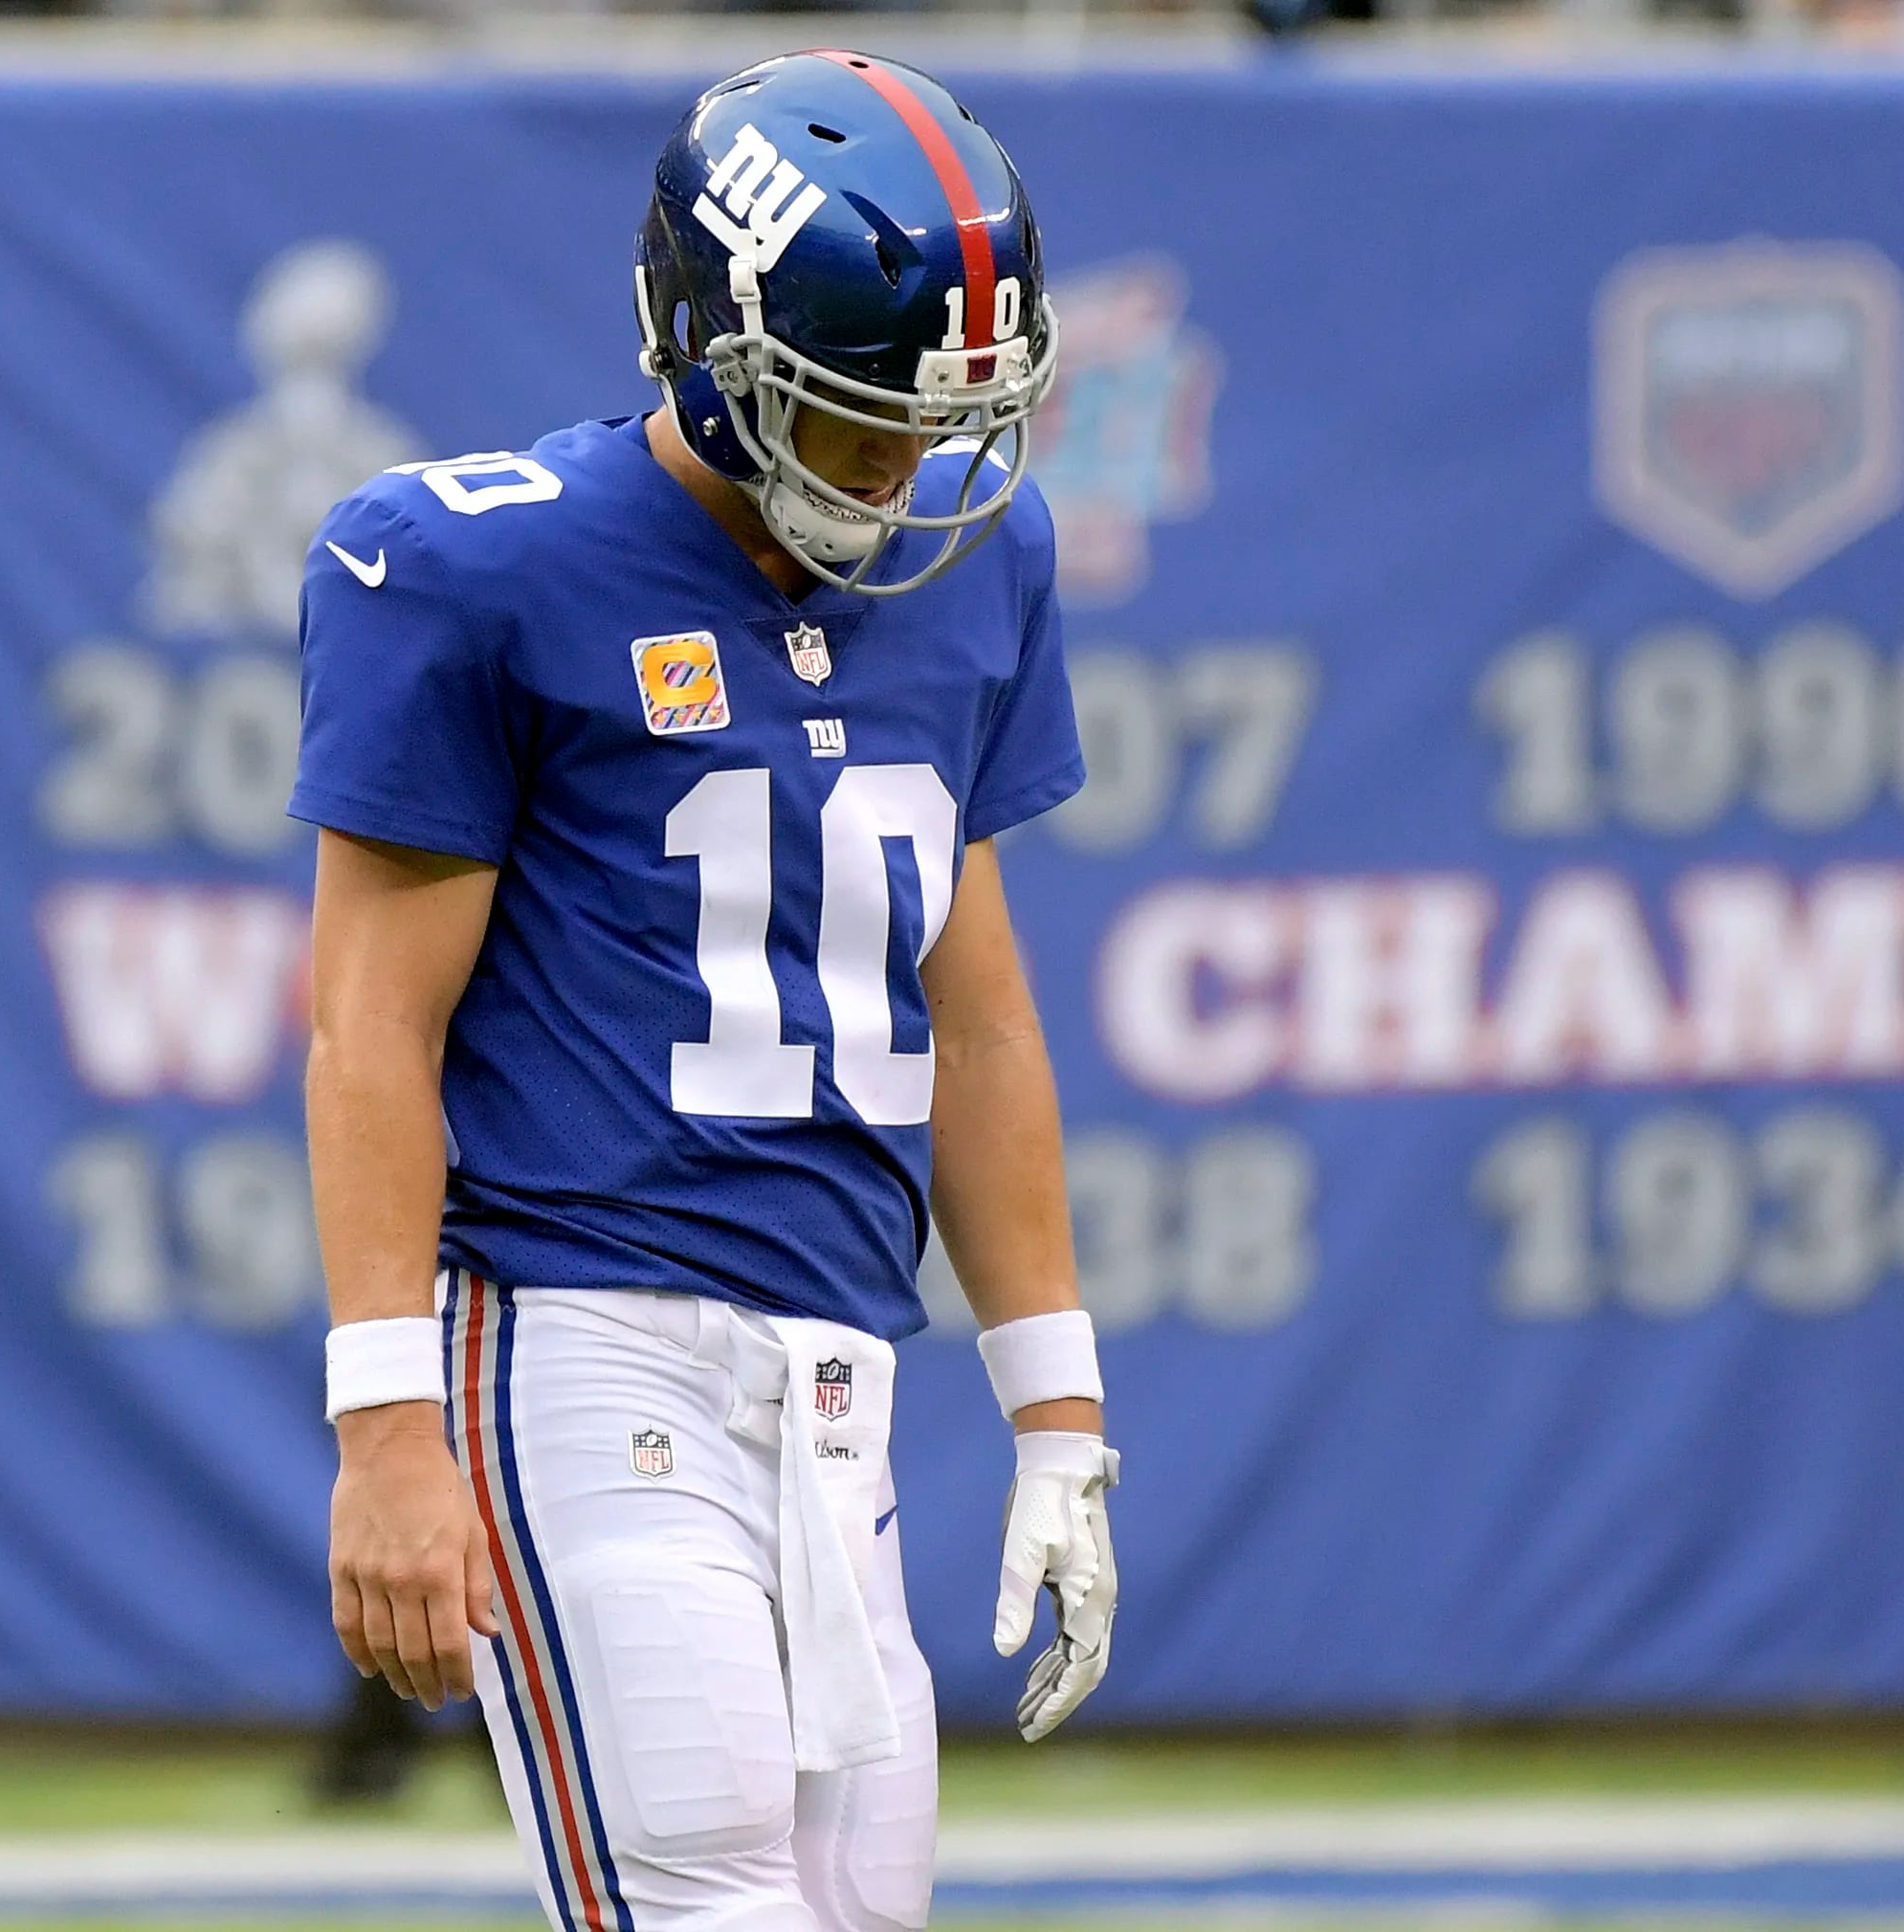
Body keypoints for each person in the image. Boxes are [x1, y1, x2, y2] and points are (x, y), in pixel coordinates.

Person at [289, 50, 1121, 1932]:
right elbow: (367, 1024)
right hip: (581, 1338)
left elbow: (973, 1017)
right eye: (849, 424)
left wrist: (1056, 1414)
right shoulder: (476, 562)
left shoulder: (982, 573)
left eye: (937, 418)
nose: (903, 473)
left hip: (837, 1374)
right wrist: (383, 1424)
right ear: (709, 350)